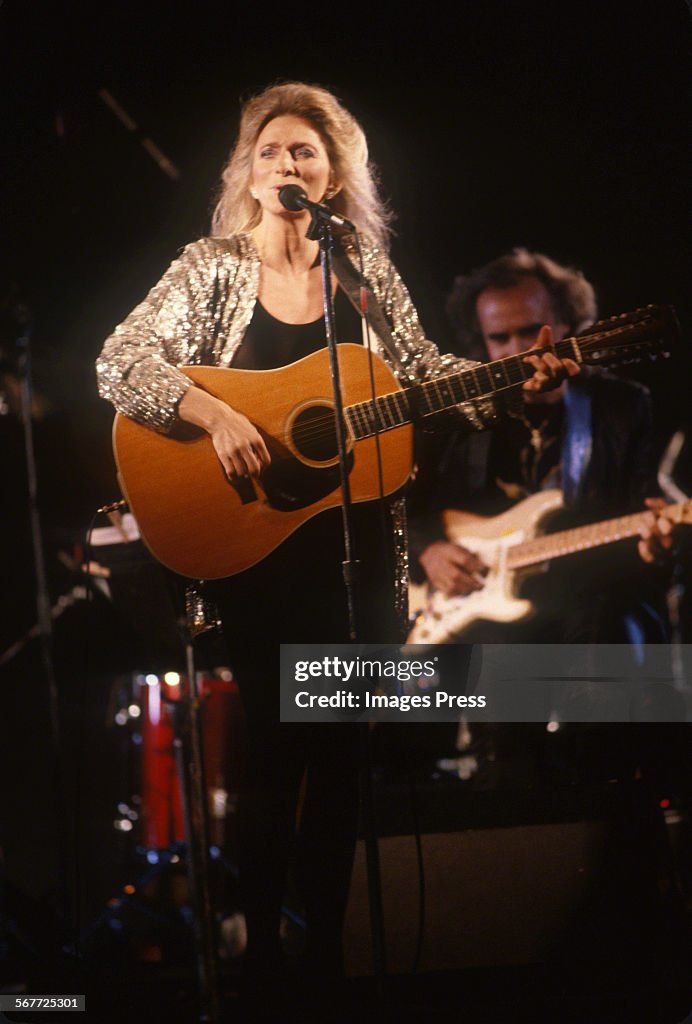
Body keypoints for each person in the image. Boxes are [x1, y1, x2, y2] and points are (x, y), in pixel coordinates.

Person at [95, 85, 577, 1009]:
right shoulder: (210, 267)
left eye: (307, 153)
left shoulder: (362, 274)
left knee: (344, 752)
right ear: (249, 170)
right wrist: (214, 412)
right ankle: (259, 959)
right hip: (255, 549)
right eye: (273, 150)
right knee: (281, 749)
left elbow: (429, 379)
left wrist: (518, 379)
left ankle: (320, 960)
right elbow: (120, 361)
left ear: (336, 174)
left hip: (358, 545)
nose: (289, 164)